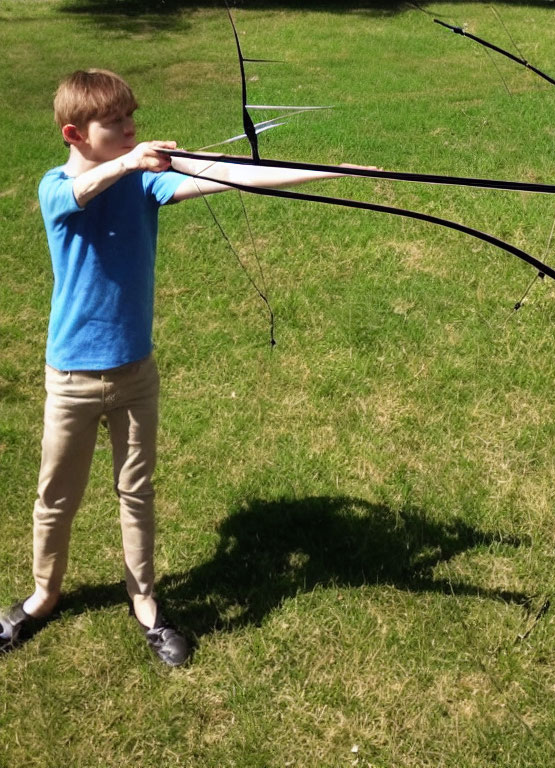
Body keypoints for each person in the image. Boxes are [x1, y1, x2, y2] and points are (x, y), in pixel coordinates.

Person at [0, 68, 365, 666]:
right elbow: (79, 194)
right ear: (74, 133)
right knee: (55, 497)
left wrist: (330, 171)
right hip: (70, 378)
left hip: (135, 374)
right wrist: (130, 161)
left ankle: (144, 602)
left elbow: (233, 175)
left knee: (135, 491)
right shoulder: (54, 188)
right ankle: (42, 596)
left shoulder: (145, 183)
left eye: (130, 118)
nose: (129, 128)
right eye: (113, 122)